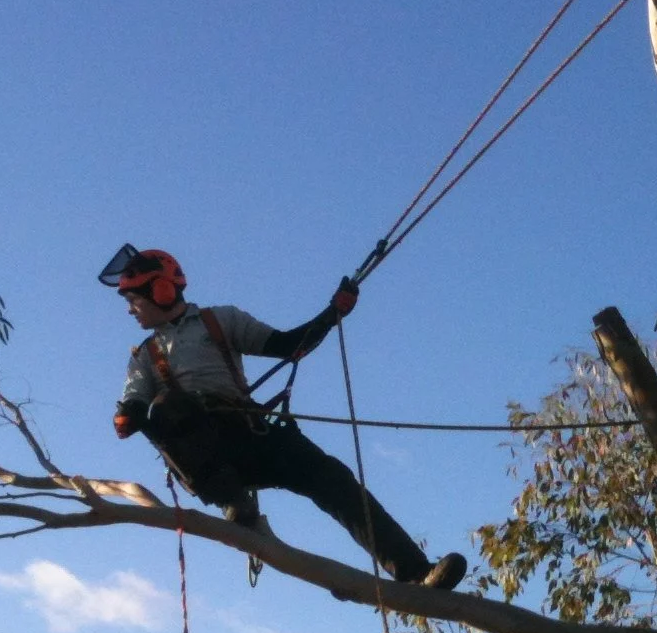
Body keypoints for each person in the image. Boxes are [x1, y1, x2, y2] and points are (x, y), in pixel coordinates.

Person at [101, 244, 467, 591]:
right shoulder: (144, 357)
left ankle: (416, 573)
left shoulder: (219, 320)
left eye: (133, 299)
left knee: (333, 478)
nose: (130, 310)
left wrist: (331, 314)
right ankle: (233, 498)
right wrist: (129, 415)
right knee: (165, 408)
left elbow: (289, 345)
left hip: (250, 431)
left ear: (162, 290)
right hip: (207, 454)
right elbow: (133, 399)